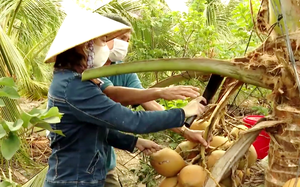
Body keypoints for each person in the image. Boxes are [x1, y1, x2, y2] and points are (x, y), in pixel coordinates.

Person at [43, 10, 208, 187]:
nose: (105, 47)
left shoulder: (71, 81)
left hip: (80, 178)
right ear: (85, 45)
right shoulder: (75, 86)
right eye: (102, 41)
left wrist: (134, 141)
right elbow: (131, 120)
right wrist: (182, 112)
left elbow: (94, 128)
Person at [101, 14, 211, 187]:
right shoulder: (88, 72)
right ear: (104, 36)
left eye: (128, 40)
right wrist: (161, 92)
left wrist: (185, 131)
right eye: (121, 38)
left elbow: (149, 103)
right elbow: (115, 95)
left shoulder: (124, 71)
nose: (125, 44)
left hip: (104, 161)